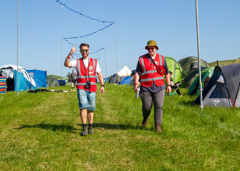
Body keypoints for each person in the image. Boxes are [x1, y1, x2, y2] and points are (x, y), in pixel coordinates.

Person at [64, 43, 105, 136]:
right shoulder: (77, 61)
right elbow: (66, 64)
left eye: (86, 50)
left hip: (92, 88)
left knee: (91, 108)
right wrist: (70, 53)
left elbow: (99, 74)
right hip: (81, 88)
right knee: (83, 107)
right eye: (82, 50)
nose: (84, 52)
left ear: (89, 51)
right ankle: (84, 128)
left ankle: (91, 127)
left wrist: (102, 85)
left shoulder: (94, 62)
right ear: (80, 51)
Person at [134, 40, 172, 133]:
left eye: (152, 48)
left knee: (159, 106)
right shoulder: (141, 59)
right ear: (147, 49)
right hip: (146, 87)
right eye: (149, 48)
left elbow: (167, 73)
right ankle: (145, 117)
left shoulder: (162, 59)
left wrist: (169, 85)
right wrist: (136, 84)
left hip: (159, 87)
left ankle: (158, 126)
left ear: (156, 49)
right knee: (147, 107)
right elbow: (137, 73)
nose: (151, 50)